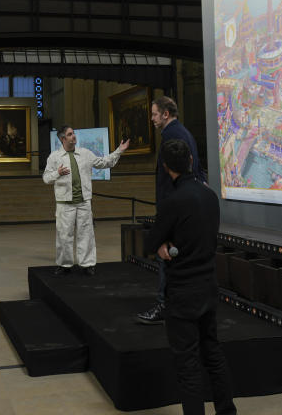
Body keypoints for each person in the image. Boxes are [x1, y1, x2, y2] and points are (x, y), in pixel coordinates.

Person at [145, 139, 236, 415]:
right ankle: (227, 411)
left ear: (165, 168)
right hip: (208, 286)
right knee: (213, 354)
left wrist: (162, 247)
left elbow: (151, 242)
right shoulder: (210, 197)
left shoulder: (173, 202)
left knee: (188, 366)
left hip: (183, 291)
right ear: (192, 162)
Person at [138, 95, 207, 325]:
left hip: (176, 206)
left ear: (165, 114)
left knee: (165, 257)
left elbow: (169, 178)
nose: (152, 118)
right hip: (190, 202)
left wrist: (164, 216)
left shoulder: (171, 135)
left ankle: (164, 306)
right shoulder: (185, 132)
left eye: (155, 114)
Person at [42, 126, 129, 275]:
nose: (74, 136)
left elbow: (104, 162)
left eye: (73, 133)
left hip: (83, 202)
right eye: (70, 134)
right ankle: (64, 265)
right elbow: (46, 178)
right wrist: (57, 173)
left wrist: (119, 151)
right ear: (63, 139)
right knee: (64, 235)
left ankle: (88, 264)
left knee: (86, 234)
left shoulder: (85, 153)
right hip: (64, 203)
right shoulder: (54, 157)